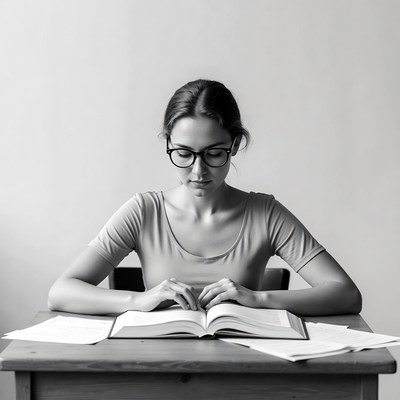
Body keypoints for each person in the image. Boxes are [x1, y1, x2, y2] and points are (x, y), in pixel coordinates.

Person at [48, 79, 362, 316]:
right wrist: (138, 300)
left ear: (235, 145)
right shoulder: (143, 211)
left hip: (245, 370)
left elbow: (346, 294)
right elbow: (61, 291)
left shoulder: (265, 213)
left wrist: (258, 299)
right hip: (155, 369)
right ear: (168, 143)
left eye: (214, 153)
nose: (198, 170)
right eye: (183, 153)